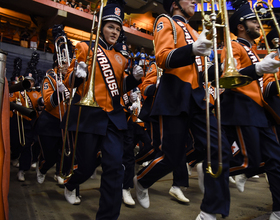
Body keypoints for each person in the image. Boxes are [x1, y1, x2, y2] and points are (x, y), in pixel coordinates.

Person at [133, 0, 232, 220]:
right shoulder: (165, 20)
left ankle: (209, 212)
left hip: (196, 97)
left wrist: (222, 66)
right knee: (173, 157)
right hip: (174, 95)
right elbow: (163, 57)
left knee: (220, 148)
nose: (196, 1)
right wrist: (192, 49)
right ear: (176, 3)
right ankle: (142, 180)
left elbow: (201, 72)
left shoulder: (193, 31)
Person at [62, 1, 143, 220]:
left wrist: (134, 79)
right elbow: (69, 81)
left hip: (113, 119)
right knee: (87, 167)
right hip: (89, 116)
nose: (115, 32)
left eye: (118, 29)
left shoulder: (121, 58)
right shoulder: (85, 48)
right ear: (101, 27)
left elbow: (119, 88)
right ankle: (71, 184)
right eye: (110, 27)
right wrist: (77, 75)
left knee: (115, 168)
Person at [220, 1, 280, 219]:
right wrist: (258, 68)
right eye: (254, 21)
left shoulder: (254, 50)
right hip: (241, 106)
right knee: (251, 162)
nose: (258, 25)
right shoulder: (233, 45)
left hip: (259, 108)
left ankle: (278, 209)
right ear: (241, 26)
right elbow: (230, 77)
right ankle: (214, 172)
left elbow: (265, 86)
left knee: (275, 160)